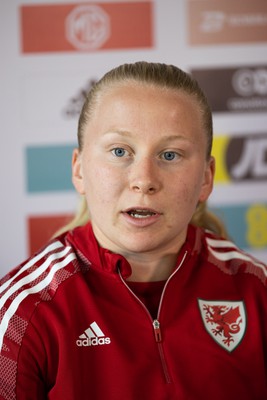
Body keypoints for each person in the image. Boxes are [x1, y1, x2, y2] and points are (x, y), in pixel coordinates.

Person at [0, 61, 266, 399]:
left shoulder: (255, 289)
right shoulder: (24, 313)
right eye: (120, 151)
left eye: (170, 155)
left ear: (206, 178)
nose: (144, 180)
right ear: (79, 170)